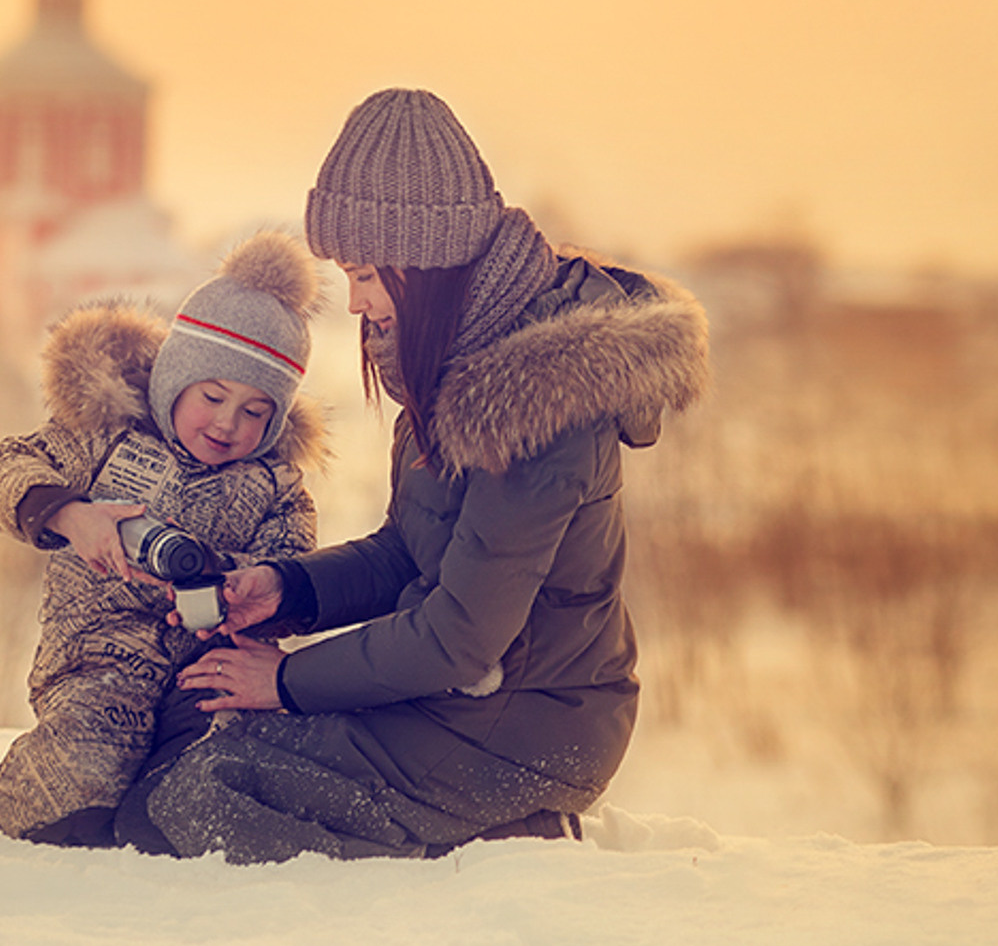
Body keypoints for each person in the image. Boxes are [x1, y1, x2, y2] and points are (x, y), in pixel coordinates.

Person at [112, 89, 711, 863]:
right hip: (464, 698)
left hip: (526, 727)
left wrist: (286, 681)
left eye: (365, 275)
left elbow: (461, 637)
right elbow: (409, 551)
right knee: (186, 739)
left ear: (424, 263)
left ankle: (494, 840)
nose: (357, 302)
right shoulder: (459, 364)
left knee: (192, 801)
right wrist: (286, 589)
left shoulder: (536, 407)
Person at [0, 232, 326, 861]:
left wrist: (224, 577)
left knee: (213, 781)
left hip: (212, 670)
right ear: (174, 380)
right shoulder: (105, 436)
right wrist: (73, 515)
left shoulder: (275, 485)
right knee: (83, 772)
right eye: (212, 397)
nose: (226, 424)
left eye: (254, 412)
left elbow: (294, 580)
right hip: (101, 662)